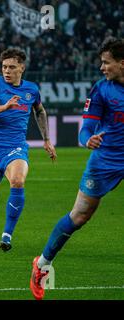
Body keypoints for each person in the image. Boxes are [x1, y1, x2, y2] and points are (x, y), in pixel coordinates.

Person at [30, 38, 124, 300]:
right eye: (101, 62)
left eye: (106, 62)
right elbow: (85, 130)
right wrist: (87, 141)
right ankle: (42, 265)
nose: (102, 67)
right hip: (105, 160)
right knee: (80, 215)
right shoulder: (102, 90)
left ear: (122, 63)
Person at [0, 48, 57, 252]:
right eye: (4, 67)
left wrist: (46, 139)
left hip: (16, 147)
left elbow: (40, 111)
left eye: (11, 67)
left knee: (18, 180)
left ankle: (7, 236)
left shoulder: (31, 89)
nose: (6, 71)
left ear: (22, 68)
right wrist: (4, 107)